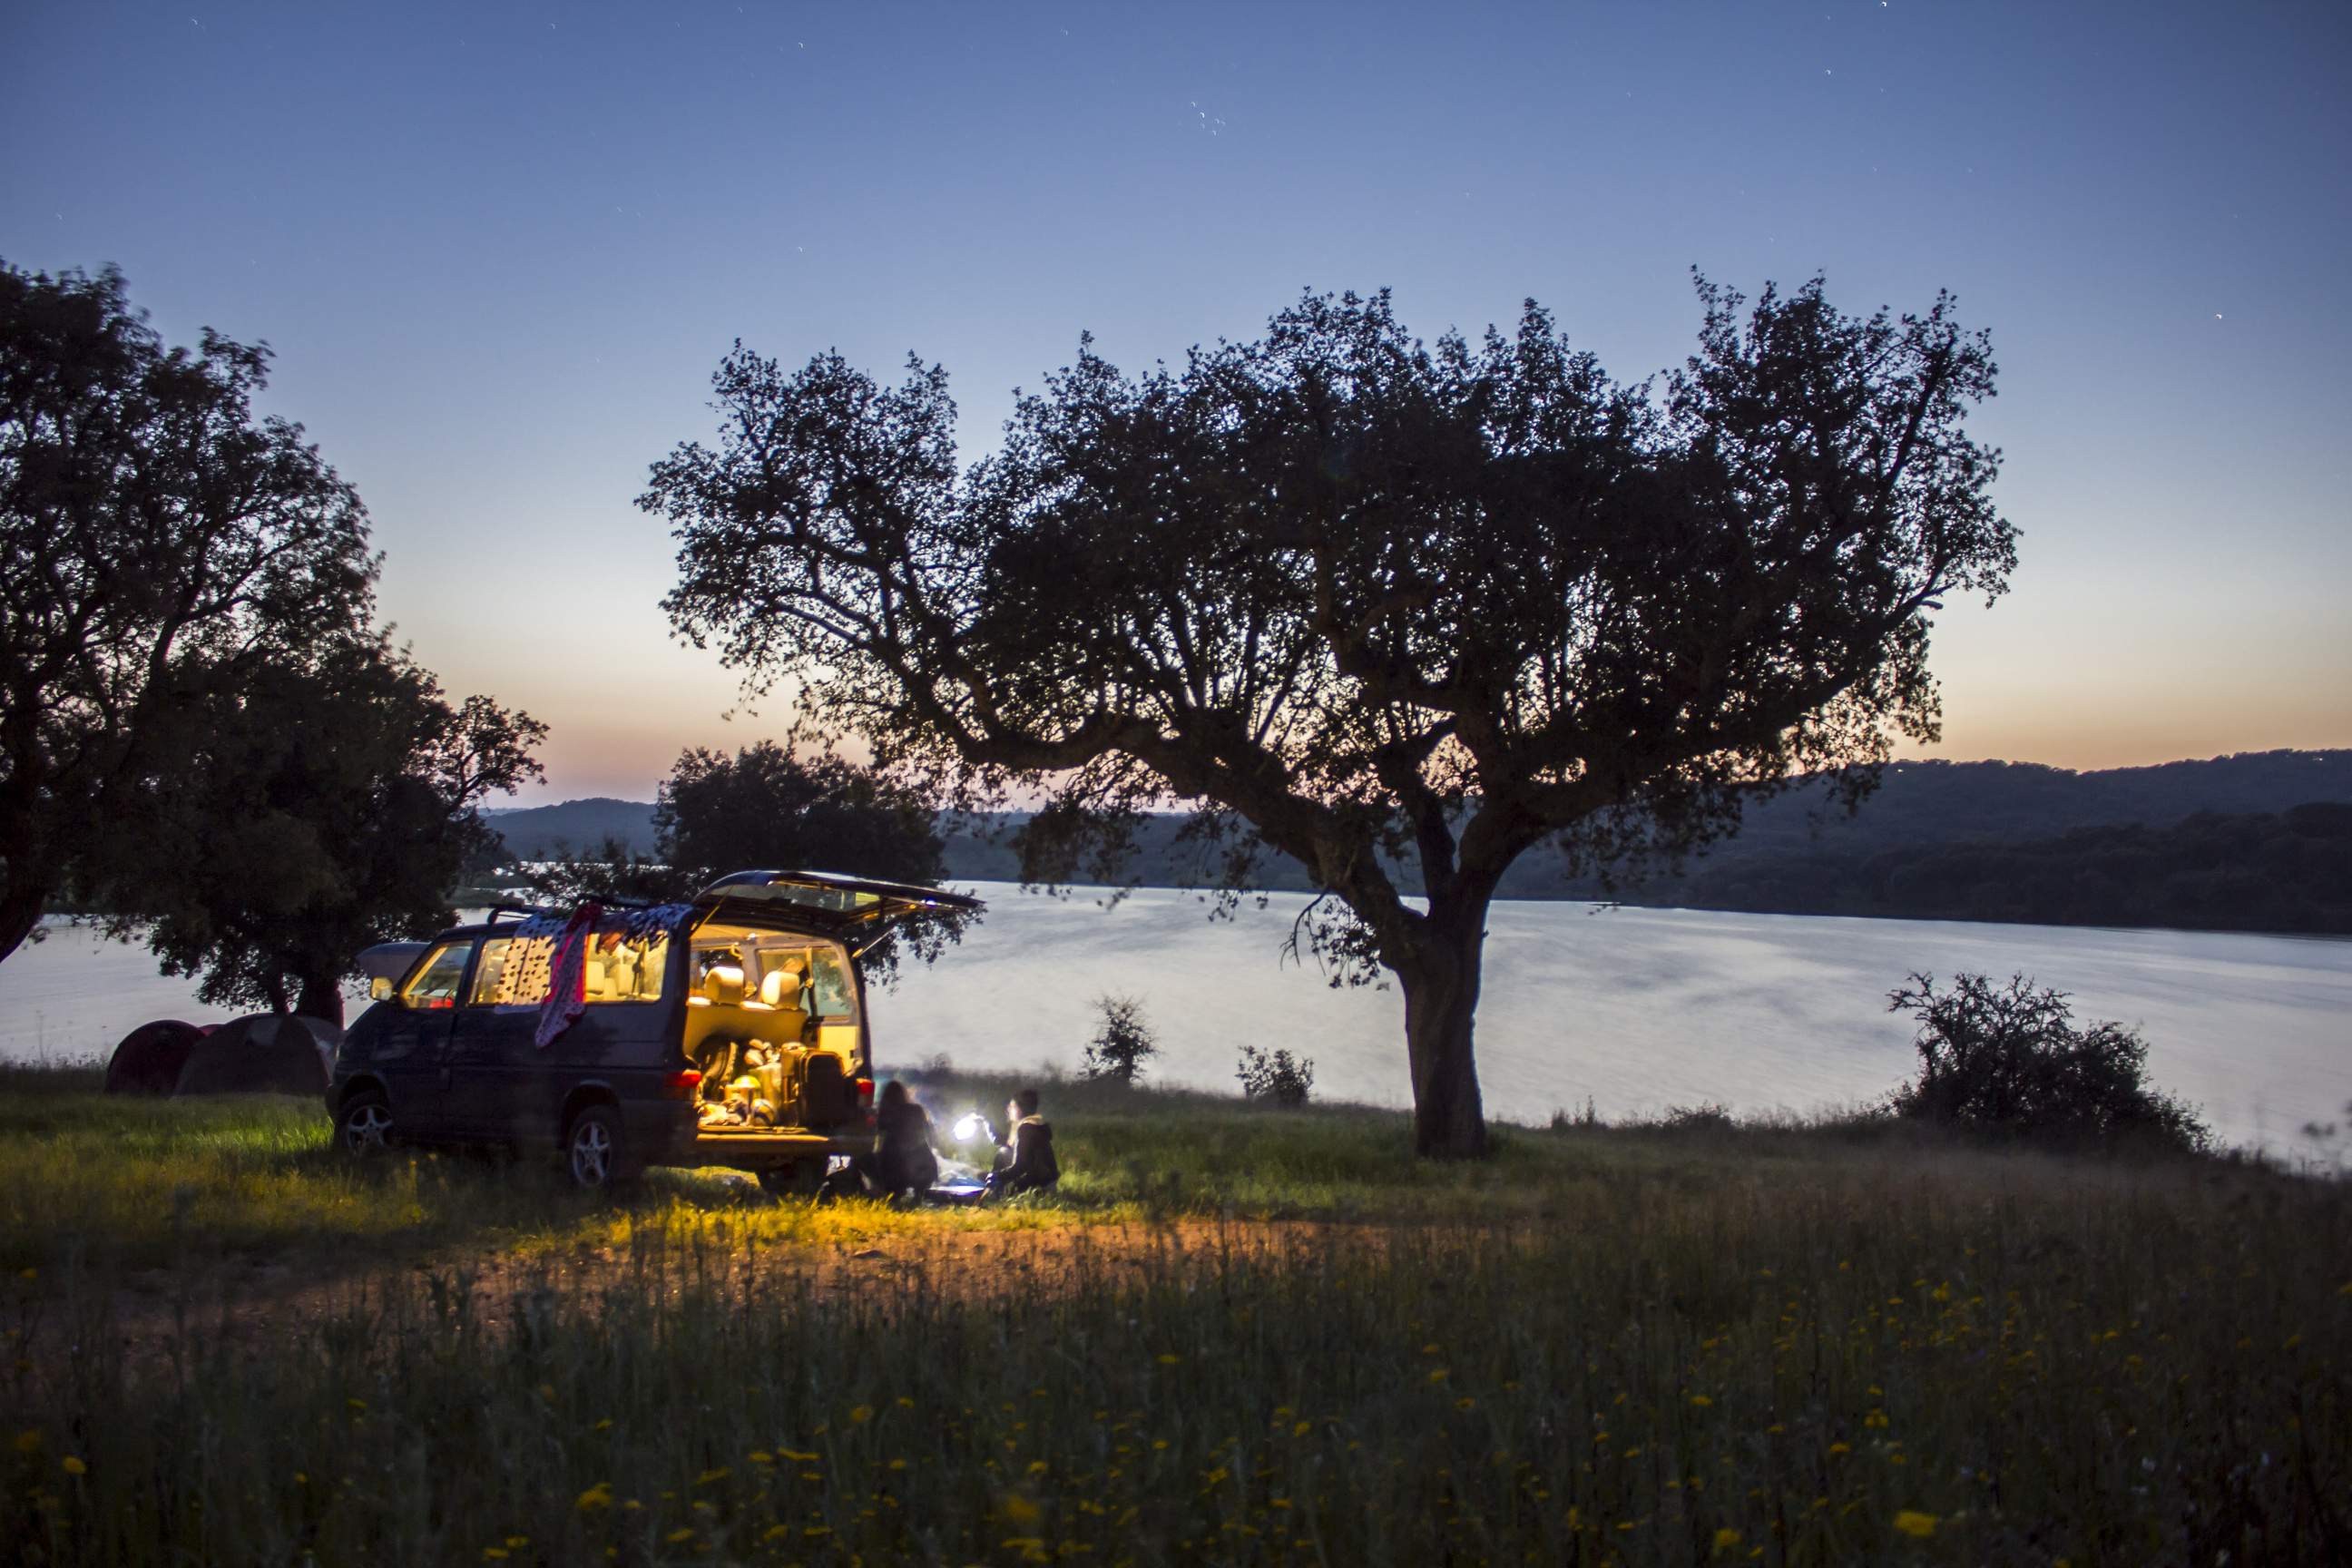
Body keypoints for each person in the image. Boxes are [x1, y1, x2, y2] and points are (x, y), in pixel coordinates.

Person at [863, 1079, 940, 1202]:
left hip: (896, 1169)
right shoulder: (917, 1110)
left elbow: (878, 1142)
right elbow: (930, 1135)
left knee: (865, 1158)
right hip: (924, 1168)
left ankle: (893, 1191)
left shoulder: (884, 1115)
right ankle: (918, 1193)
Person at [986, 1087, 1059, 1199]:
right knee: (1005, 1151)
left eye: (1012, 1106)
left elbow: (1021, 1166)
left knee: (1003, 1153)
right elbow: (1003, 1141)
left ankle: (994, 1192)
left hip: (1040, 1186)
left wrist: (997, 1176)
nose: (1008, 1109)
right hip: (1046, 1181)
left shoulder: (1027, 1128)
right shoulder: (1033, 1124)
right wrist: (987, 1123)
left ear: (1019, 1109)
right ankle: (994, 1189)